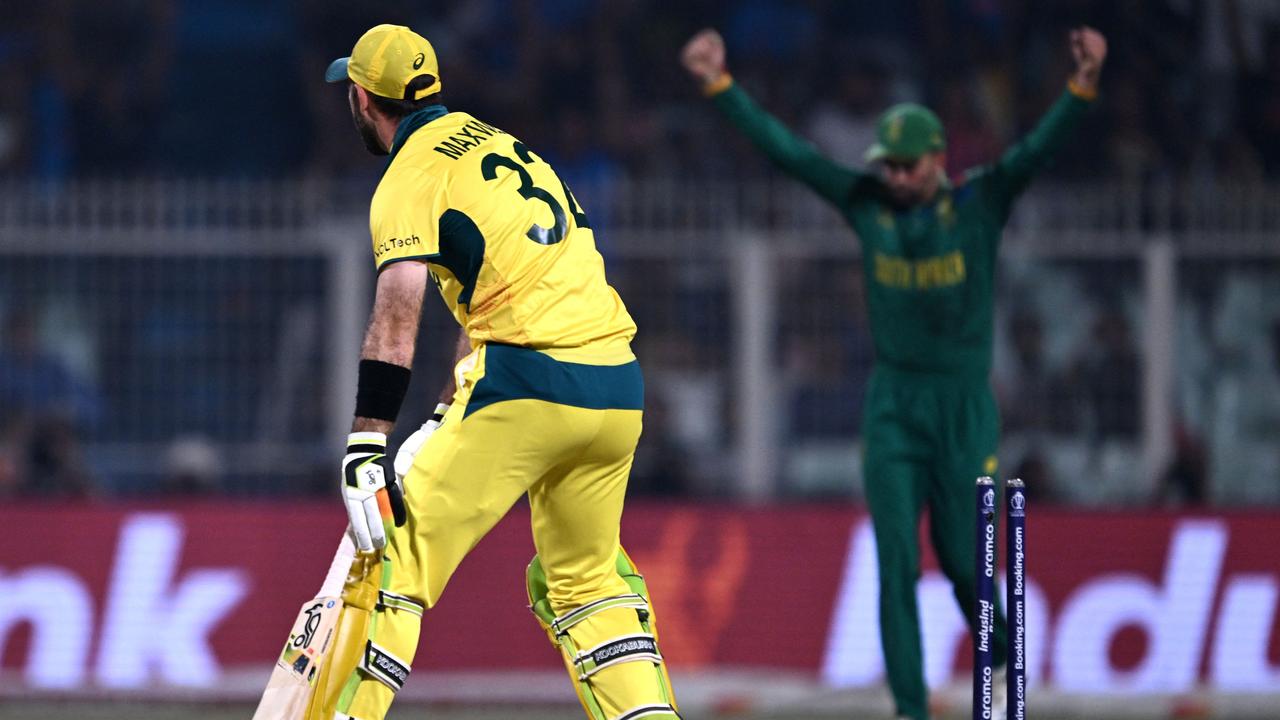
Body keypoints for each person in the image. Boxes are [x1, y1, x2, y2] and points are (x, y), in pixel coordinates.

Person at [681, 25, 1106, 720]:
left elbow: (1038, 152)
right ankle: (910, 707)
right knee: (896, 565)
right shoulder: (866, 203)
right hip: (893, 408)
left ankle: (1001, 655)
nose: (897, 178)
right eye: (890, 166)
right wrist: (721, 86)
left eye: (909, 166)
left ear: (939, 159)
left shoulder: (980, 202)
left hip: (964, 407)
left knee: (965, 559)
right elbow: (790, 153)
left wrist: (1080, 87)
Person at [313, 24, 678, 720]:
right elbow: (494, 286)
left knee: (390, 560)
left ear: (361, 98)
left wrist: (368, 441)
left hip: (527, 384)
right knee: (586, 585)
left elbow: (398, 309)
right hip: (616, 386)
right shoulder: (499, 142)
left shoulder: (409, 175)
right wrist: (452, 404)